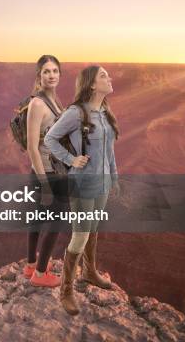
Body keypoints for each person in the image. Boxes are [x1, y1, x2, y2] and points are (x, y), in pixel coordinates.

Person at [44, 65, 120, 315]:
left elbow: (109, 150)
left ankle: (89, 272)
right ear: (91, 85)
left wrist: (114, 177)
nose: (110, 79)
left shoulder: (105, 112)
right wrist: (70, 159)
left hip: (103, 183)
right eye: (103, 76)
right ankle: (65, 291)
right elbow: (50, 139)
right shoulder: (76, 113)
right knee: (80, 234)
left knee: (93, 229)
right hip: (82, 183)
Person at [22, 55, 67, 287]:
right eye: (46, 71)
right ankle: (40, 274)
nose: (51, 75)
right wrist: (45, 184)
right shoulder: (38, 104)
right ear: (39, 75)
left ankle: (31, 264)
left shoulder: (54, 100)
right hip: (46, 173)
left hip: (55, 170)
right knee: (56, 221)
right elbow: (32, 147)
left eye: (55, 71)